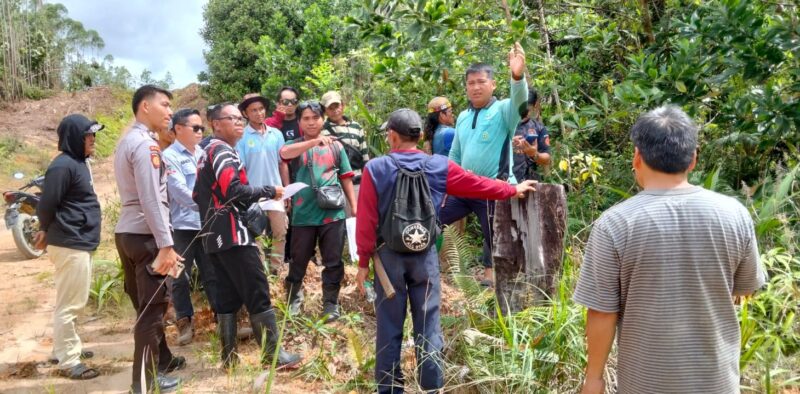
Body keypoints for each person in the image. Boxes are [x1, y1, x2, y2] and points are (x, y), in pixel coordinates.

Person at [573, 106, 766, 394]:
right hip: (717, 382)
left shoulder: (614, 224)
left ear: (637, 157)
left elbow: (602, 313)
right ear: (693, 159)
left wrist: (594, 380)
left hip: (645, 383)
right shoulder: (734, 214)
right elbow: (746, 288)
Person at [354, 108, 537, 393]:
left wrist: (363, 262)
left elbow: (366, 220)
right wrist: (511, 190)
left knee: (389, 329)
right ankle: (432, 389)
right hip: (424, 259)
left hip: (387, 260)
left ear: (391, 136)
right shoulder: (438, 165)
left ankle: (389, 389)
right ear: (420, 136)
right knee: (428, 329)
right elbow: (477, 184)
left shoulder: (376, 168)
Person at [194, 103, 301, 369]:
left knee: (228, 296)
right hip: (233, 233)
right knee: (257, 290)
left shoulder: (206, 151)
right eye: (232, 118)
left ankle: (228, 358)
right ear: (216, 123)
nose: (239, 122)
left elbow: (198, 194)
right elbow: (233, 190)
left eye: (239, 119)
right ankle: (273, 355)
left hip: (212, 235)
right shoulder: (222, 151)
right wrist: (270, 190)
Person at [114, 85, 185, 393]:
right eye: (165, 105)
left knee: (146, 308)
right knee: (152, 312)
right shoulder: (146, 145)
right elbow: (152, 199)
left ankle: (157, 367)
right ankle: (142, 384)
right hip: (146, 237)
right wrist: (166, 243)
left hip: (128, 233)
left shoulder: (127, 140)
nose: (170, 112)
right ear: (145, 106)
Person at [441, 42, 529, 286]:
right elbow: (455, 155)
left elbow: (521, 101)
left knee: (494, 233)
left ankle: (493, 281)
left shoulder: (503, 111)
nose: (476, 87)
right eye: (471, 83)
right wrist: (449, 183)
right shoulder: (462, 116)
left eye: (481, 82)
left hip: (494, 186)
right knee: (434, 217)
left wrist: (517, 75)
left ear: (493, 84)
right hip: (464, 187)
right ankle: (421, 263)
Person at [33, 114, 103, 380]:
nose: (93, 140)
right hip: (69, 242)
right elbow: (47, 203)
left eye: (94, 135)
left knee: (70, 300)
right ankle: (69, 359)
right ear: (75, 137)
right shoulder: (62, 166)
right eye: (88, 135)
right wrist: (43, 229)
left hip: (78, 241)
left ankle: (64, 347)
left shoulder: (79, 163)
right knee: (71, 304)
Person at [279, 101, 357, 323]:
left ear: (322, 119)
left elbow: (346, 176)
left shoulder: (335, 146)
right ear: (299, 121)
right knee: (298, 260)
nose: (311, 122)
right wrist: (314, 142)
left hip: (333, 214)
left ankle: (330, 303)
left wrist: (353, 205)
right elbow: (284, 154)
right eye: (306, 118)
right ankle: (294, 300)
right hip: (303, 215)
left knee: (333, 261)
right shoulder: (294, 144)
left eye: (315, 117)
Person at [163, 108, 219, 346]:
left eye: (201, 128)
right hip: (181, 226)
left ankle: (223, 317)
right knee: (179, 277)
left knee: (213, 273)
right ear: (178, 129)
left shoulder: (204, 154)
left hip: (206, 223)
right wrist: (210, 205)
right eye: (195, 128)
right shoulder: (169, 156)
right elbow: (180, 193)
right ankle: (185, 321)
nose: (200, 132)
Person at [235, 93, 289, 273]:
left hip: (276, 192)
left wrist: (287, 190)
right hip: (253, 195)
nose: (259, 113)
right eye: (253, 110)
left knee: (280, 231)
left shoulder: (277, 134)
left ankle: (277, 270)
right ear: (245, 113)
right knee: (258, 235)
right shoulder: (241, 137)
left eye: (261, 109)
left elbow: (283, 164)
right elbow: (240, 169)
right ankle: (261, 273)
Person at [321, 90, 370, 217]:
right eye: (330, 108)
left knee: (357, 219)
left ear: (343, 105)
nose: (334, 110)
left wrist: (367, 182)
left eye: (336, 106)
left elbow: (365, 156)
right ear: (325, 111)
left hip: (357, 182)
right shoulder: (321, 131)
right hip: (334, 185)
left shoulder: (356, 127)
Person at [511, 89, 551, 181]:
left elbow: (547, 158)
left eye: (527, 109)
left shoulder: (538, 128)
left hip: (527, 180)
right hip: (502, 181)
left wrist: (534, 154)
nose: (523, 113)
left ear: (535, 105)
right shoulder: (504, 124)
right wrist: (509, 143)